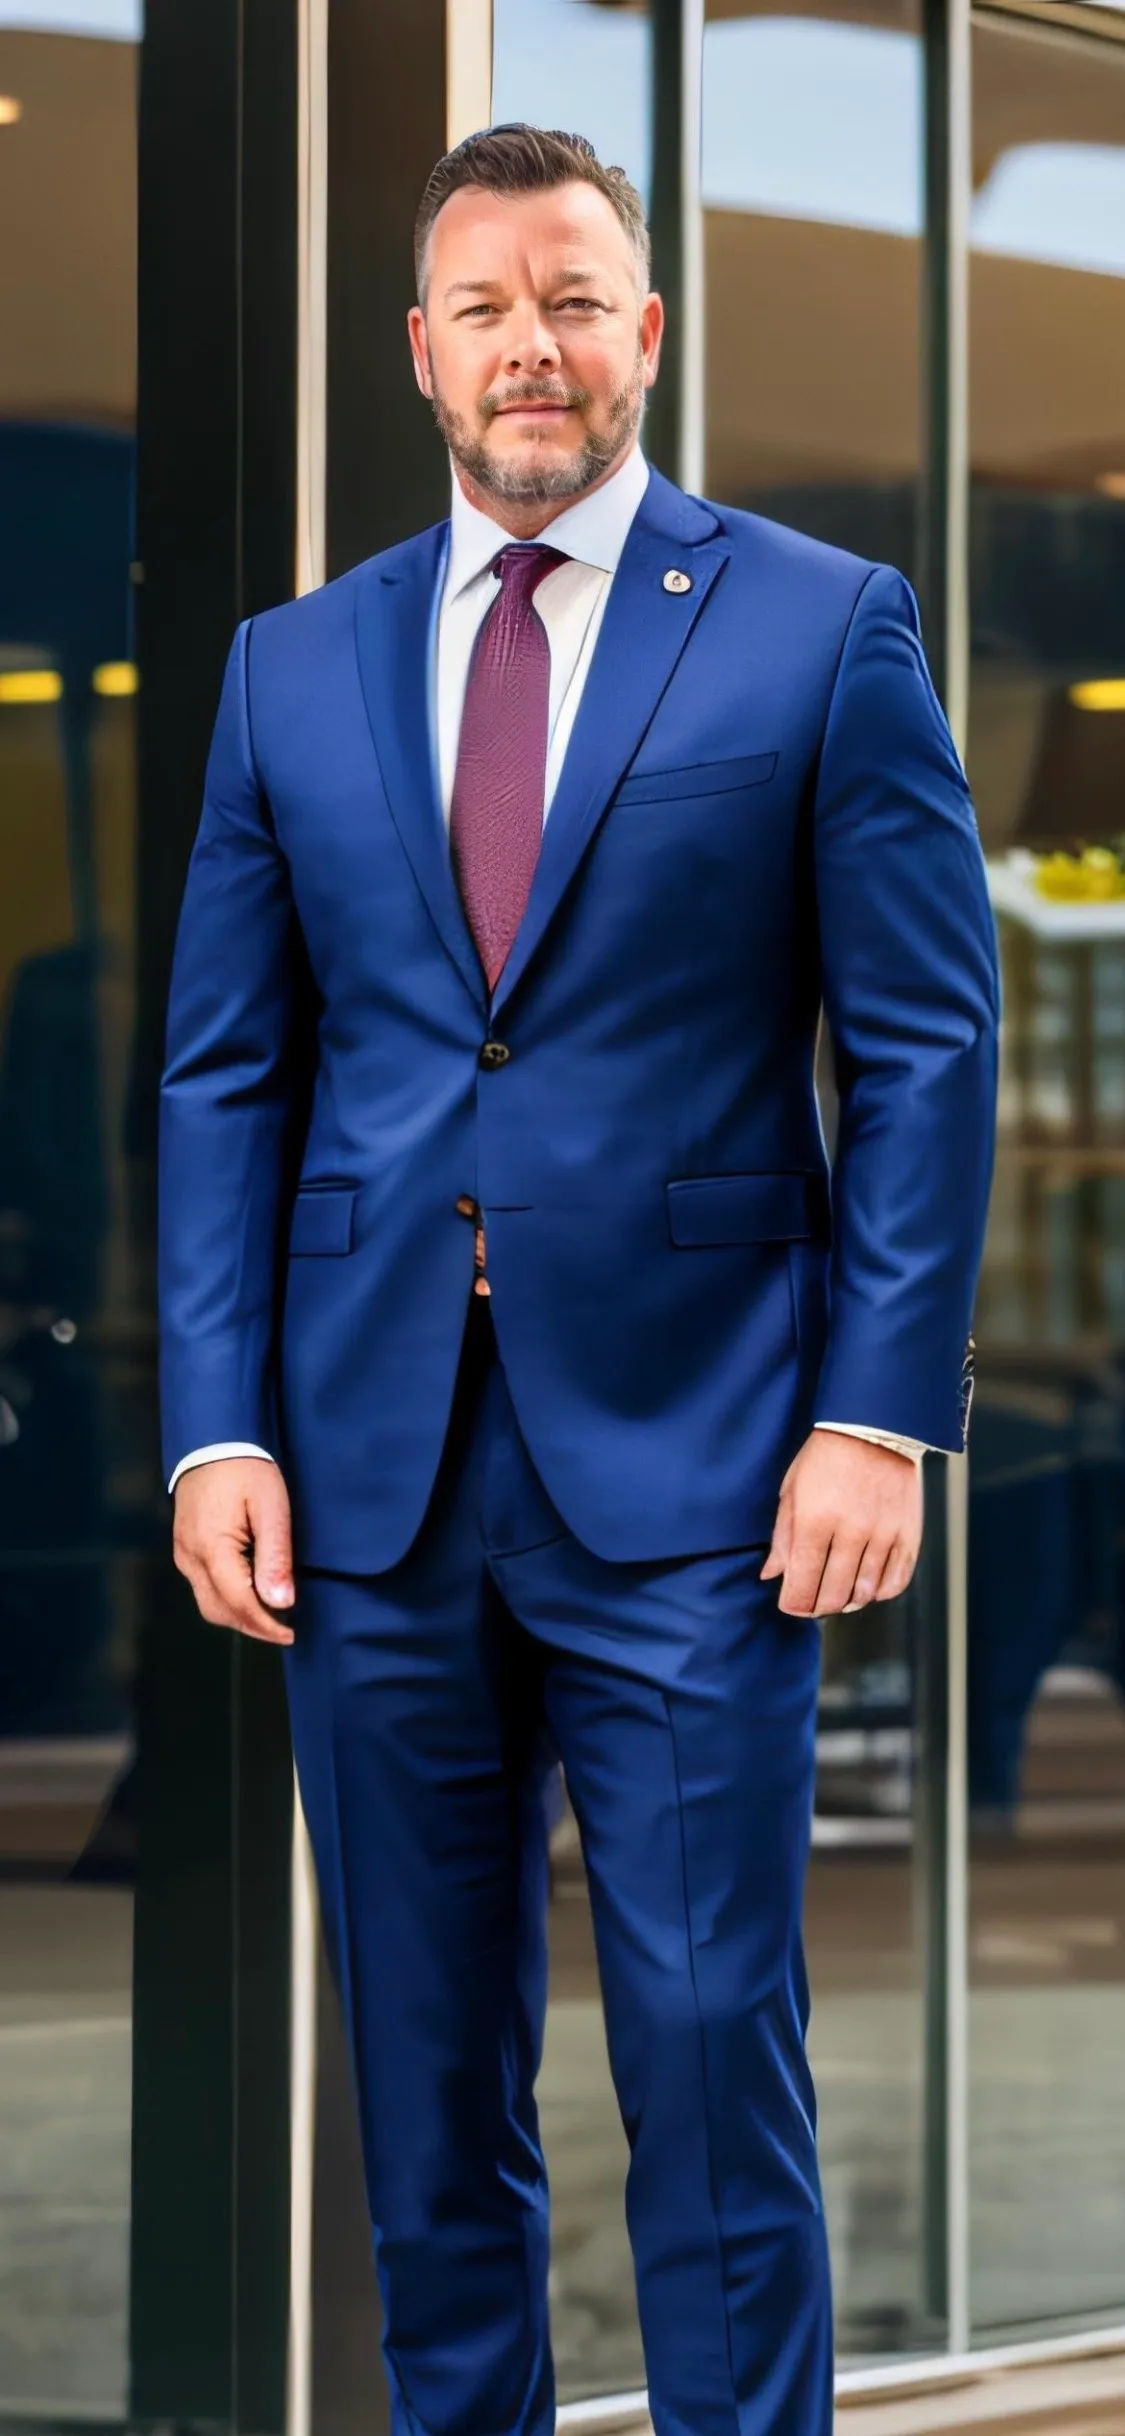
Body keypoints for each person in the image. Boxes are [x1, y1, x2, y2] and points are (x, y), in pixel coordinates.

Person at [160, 124, 999, 2436]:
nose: (532, 340)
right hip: (363, 1479)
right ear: (419, 351)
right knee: (425, 2113)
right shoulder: (287, 670)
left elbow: (926, 1044)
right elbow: (229, 1078)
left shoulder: (821, 625)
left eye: (576, 293)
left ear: (647, 331)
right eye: (485, 303)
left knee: (713, 2083)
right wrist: (215, 1424)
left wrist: (876, 1407)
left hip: (712, 1473)